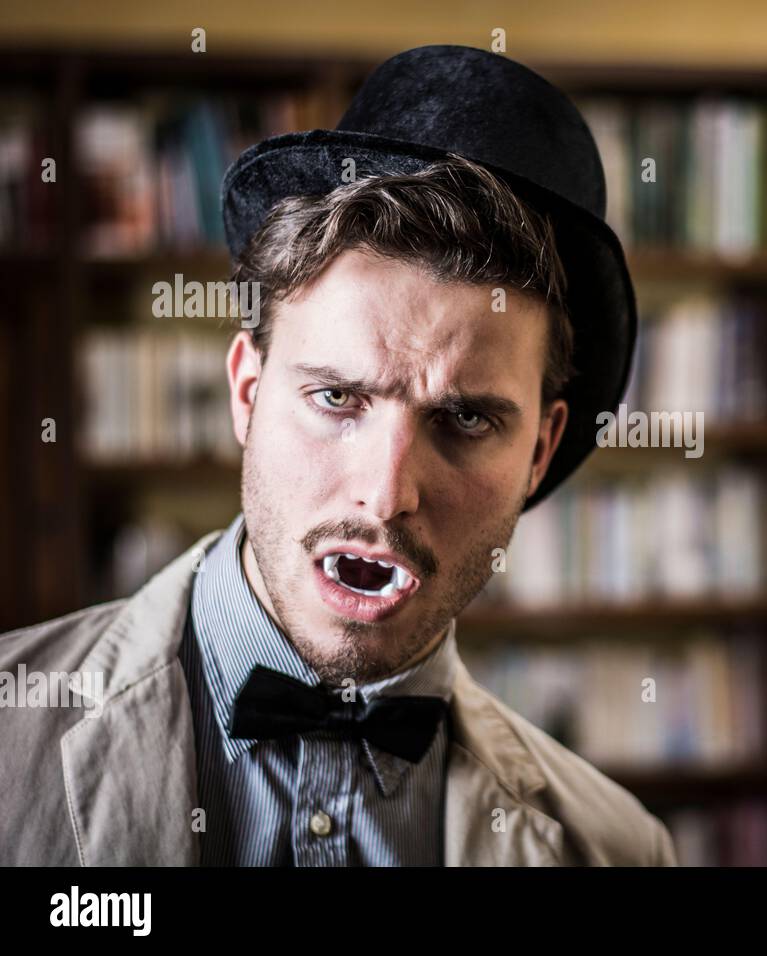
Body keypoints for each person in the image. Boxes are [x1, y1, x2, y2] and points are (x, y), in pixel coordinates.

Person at [0, 44, 676, 866]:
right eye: (336, 398)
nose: (386, 494)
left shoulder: (619, 850)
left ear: (540, 452)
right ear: (247, 393)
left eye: (463, 420)